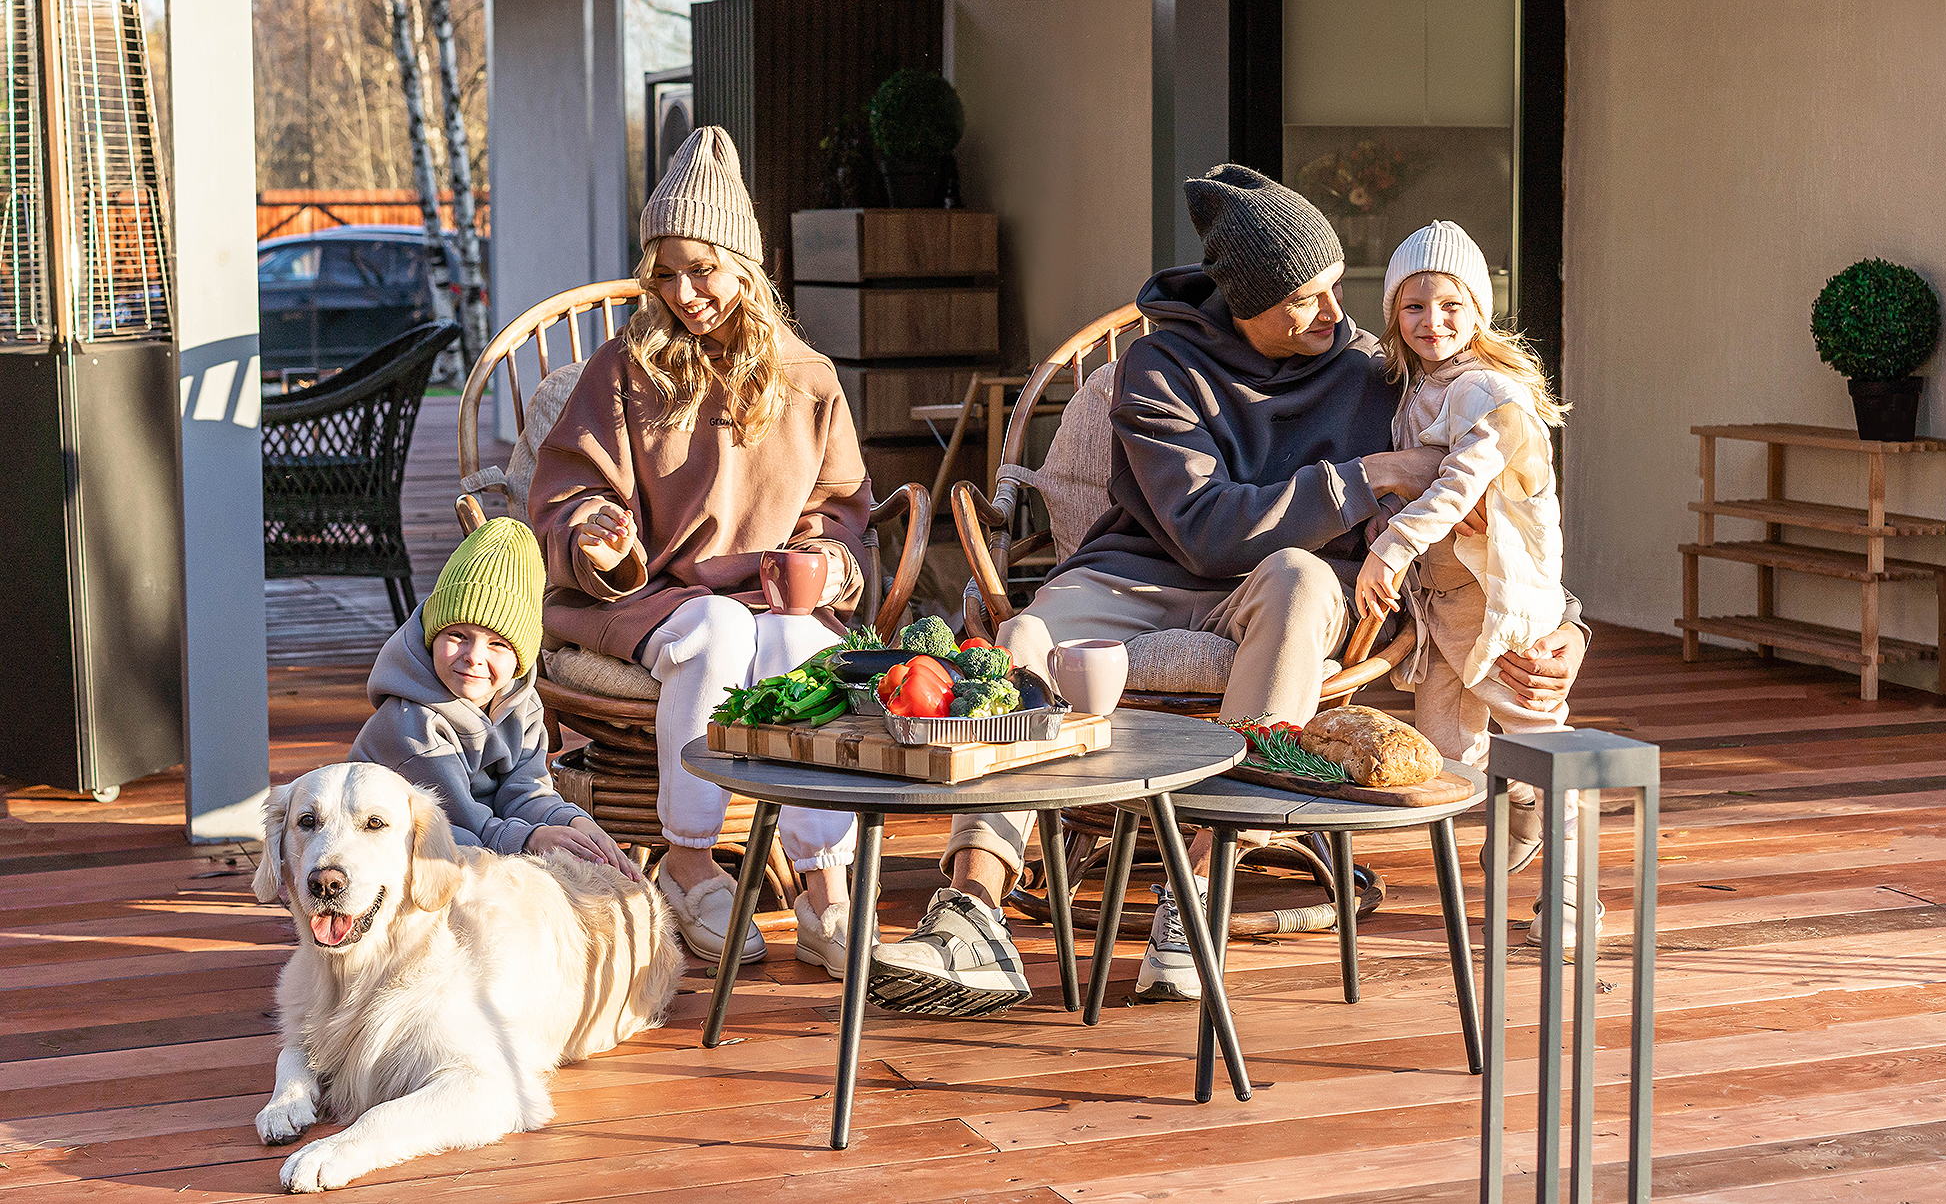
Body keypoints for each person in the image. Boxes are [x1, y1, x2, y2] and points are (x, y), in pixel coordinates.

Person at [869, 166, 1588, 1017]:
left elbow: (1503, 491)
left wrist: (1566, 625)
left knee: (1297, 574)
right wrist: (1364, 476)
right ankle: (973, 911)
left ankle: (1197, 892)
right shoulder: (1158, 366)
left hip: (1278, 593)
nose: (1334, 314)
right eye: (1306, 299)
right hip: (1139, 573)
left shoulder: (1369, 369)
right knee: (1023, 639)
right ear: (1245, 304)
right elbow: (1204, 528)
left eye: (1335, 290)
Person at [530, 128, 872, 979]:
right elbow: (567, 495)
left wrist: (828, 564)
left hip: (774, 598)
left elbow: (840, 514)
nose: (686, 292)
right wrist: (596, 535)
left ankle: (823, 884)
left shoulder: (808, 380)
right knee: (717, 629)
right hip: (650, 600)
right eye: (667, 272)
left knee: (805, 651)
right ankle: (688, 863)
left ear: (745, 267)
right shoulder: (620, 370)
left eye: (705, 268)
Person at [1355, 221, 1590, 946]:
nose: (1434, 322)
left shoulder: (1488, 391)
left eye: (1451, 305)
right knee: (1445, 748)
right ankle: (1516, 794)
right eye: (1415, 306)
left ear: (1479, 311)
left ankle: (1573, 896)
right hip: (1443, 605)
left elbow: (1457, 487)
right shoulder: (1416, 389)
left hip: (1503, 601)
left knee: (1541, 737)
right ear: (1395, 315)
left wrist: (1388, 551)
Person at [349, 517, 641, 879]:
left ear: (521, 655)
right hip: (404, 854)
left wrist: (569, 821)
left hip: (480, 840)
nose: (474, 656)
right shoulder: (411, 724)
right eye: (457, 635)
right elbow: (452, 823)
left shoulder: (522, 704)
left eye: (498, 644)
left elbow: (525, 789)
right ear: (431, 635)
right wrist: (531, 838)